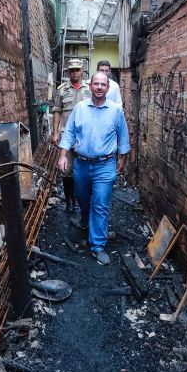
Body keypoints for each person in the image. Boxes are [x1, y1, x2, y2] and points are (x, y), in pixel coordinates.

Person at [58, 72, 130, 265]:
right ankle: (85, 216)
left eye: (103, 84)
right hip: (81, 164)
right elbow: (69, 133)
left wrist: (122, 159)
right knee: (82, 197)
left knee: (100, 202)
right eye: (96, 84)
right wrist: (63, 155)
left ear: (108, 88)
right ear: (90, 86)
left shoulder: (116, 111)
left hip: (105, 165)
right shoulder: (80, 108)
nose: (99, 87)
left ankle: (97, 245)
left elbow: (123, 136)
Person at [50, 58, 91, 213]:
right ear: (68, 72)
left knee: (87, 169)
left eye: (77, 70)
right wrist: (55, 132)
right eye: (71, 70)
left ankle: (85, 201)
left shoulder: (90, 88)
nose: (74, 73)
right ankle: (70, 201)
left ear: (82, 71)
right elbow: (57, 111)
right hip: (67, 136)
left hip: (86, 136)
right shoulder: (61, 90)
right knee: (67, 170)